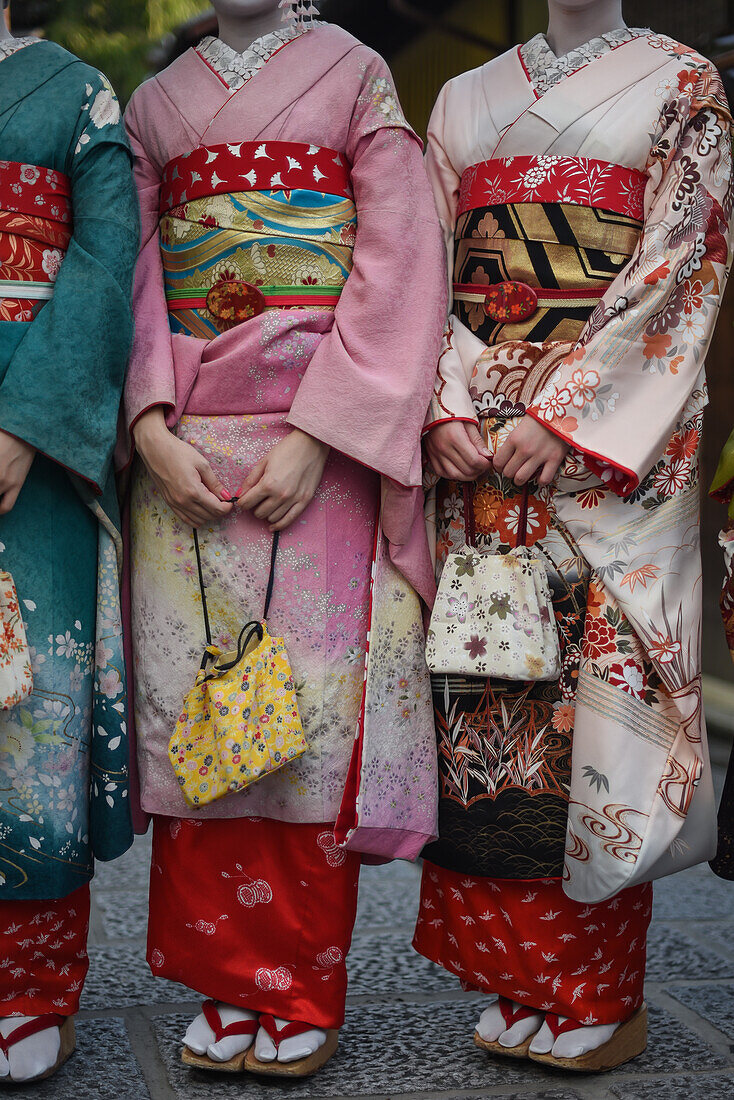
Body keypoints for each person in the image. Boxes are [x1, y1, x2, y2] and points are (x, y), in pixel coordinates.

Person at [122, 0, 445, 1078]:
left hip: (317, 439)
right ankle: (223, 981)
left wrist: (319, 433)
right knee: (197, 709)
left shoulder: (354, 74)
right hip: (187, 446)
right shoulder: (155, 101)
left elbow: (397, 257)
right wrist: (147, 423)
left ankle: (299, 986)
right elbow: (128, 272)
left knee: (306, 719)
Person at [413, 0, 734, 1072]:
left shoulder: (680, 80)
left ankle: (596, 989)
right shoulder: (464, 98)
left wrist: (569, 414)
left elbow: (683, 261)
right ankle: (520, 979)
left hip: (597, 454)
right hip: (482, 446)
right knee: (492, 715)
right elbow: (421, 264)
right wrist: (447, 403)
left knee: (587, 725)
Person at [0, 4, 138, 1084]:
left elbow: (101, 257)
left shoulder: (76, 91)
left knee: (28, 718)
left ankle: (31, 984)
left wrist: (24, 423)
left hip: (28, 443)